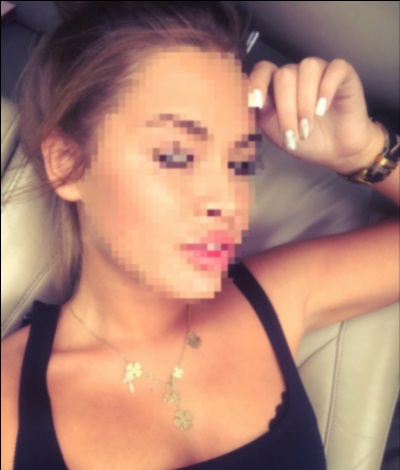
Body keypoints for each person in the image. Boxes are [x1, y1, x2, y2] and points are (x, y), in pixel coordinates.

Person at [1, 2, 399, 469]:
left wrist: (365, 152)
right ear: (68, 165)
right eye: (176, 157)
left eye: (240, 165)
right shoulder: (9, 409)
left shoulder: (274, 296)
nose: (227, 203)